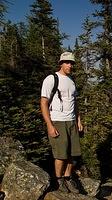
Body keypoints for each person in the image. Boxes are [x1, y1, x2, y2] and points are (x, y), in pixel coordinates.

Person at [40, 52, 83, 193]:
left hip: (71, 122)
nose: (70, 65)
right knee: (60, 155)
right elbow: (44, 102)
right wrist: (49, 125)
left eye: (72, 63)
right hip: (58, 121)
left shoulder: (71, 81)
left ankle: (68, 178)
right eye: (67, 62)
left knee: (73, 154)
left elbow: (75, 103)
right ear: (61, 63)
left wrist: (78, 120)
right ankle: (58, 181)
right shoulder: (51, 79)